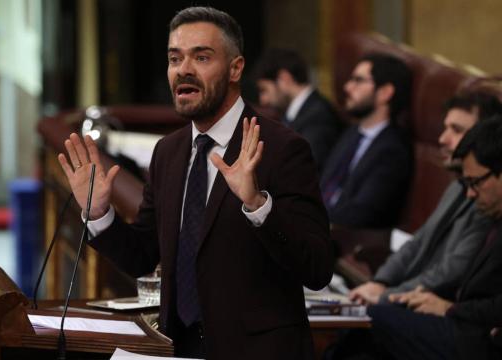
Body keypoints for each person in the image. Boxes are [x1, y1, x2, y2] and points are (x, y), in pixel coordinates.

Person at [57, 6, 333, 359]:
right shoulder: (168, 152)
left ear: (236, 68)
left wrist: (257, 205)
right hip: (178, 348)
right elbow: (144, 255)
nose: (183, 70)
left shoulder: (281, 148)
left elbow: (317, 268)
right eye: (175, 58)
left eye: (201, 57)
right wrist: (99, 214)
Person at [367, 116, 502, 360]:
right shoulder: (485, 208)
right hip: (463, 323)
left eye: (476, 183)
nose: (470, 193)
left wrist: (451, 308)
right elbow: (419, 241)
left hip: (478, 338)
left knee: (374, 320)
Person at [349, 92, 502, 305]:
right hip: (405, 292)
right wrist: (380, 281)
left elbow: (453, 271)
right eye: (445, 127)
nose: (442, 139)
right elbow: (419, 240)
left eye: (456, 130)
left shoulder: (489, 198)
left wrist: (385, 297)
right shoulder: (456, 185)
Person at [320, 53, 413, 228]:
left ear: (385, 93)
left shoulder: (392, 151)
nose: (348, 87)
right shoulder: (352, 132)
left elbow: (361, 214)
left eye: (358, 80)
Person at [253, 48, 343, 171]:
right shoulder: (294, 115)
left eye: (264, 90)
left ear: (284, 79)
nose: (263, 100)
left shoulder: (318, 116)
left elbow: (306, 168)